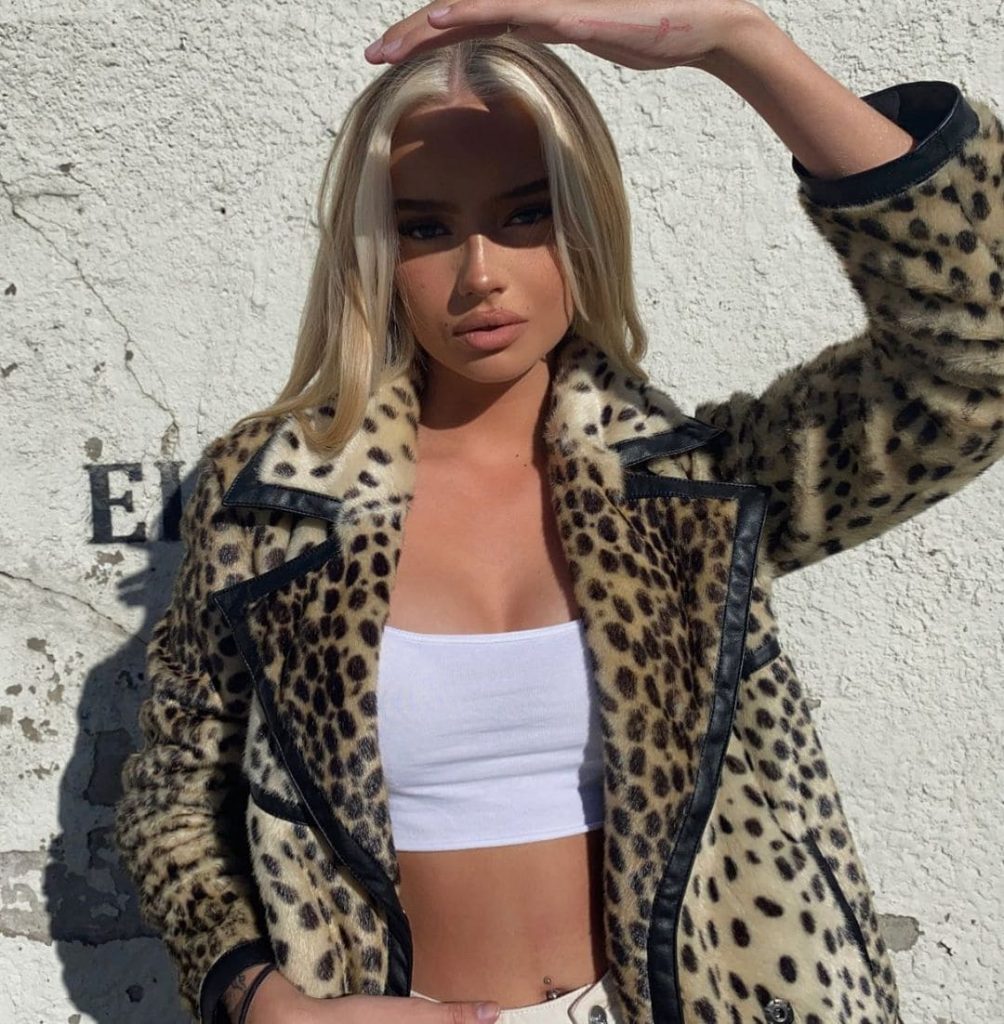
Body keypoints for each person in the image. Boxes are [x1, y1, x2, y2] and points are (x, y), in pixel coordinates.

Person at [113, 3, 1003, 1024]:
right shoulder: (277, 502)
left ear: (586, 220)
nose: (480, 275)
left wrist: (741, 46)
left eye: (525, 215)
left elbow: (974, 358)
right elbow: (174, 802)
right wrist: (260, 999)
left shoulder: (696, 491)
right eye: (425, 228)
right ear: (374, 250)